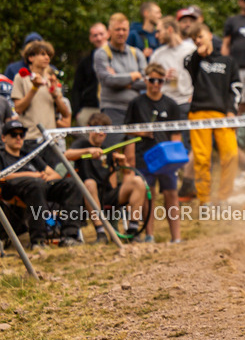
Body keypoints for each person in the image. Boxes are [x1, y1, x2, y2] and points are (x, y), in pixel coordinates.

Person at [0, 120, 84, 248]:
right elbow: (3, 176)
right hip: (13, 189)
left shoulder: (28, 154)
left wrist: (43, 176)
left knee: (71, 184)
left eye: (21, 134)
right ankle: (38, 241)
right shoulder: (2, 155)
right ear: (3, 137)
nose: (18, 137)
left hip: (40, 186)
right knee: (36, 184)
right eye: (13, 134)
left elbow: (55, 175)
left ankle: (70, 236)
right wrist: (33, 175)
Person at [66, 112, 147, 244]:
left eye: (105, 130)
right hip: (87, 195)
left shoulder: (107, 150)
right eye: (98, 129)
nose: (101, 133)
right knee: (90, 183)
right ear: (88, 128)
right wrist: (87, 151)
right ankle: (101, 233)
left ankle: (133, 230)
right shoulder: (81, 144)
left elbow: (126, 175)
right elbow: (66, 155)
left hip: (107, 194)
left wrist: (123, 164)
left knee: (138, 181)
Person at [124, 63, 183, 242]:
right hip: (145, 156)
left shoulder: (171, 104)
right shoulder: (136, 103)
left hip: (167, 158)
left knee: (172, 194)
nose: (156, 84)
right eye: (152, 80)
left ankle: (176, 237)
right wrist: (140, 134)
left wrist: (177, 160)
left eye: (160, 80)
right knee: (148, 195)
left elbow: (176, 134)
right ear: (145, 80)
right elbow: (127, 129)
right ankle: (149, 234)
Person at [184, 23, 241, 206]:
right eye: (194, 40)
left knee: (231, 155)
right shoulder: (194, 60)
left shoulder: (228, 61)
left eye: (200, 37)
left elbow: (235, 89)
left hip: (222, 114)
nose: (198, 41)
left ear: (209, 34)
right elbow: (188, 65)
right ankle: (204, 200)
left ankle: (224, 197)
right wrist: (197, 54)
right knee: (201, 158)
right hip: (198, 113)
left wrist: (232, 110)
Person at [12, 40, 71, 164]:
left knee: (60, 178)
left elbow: (65, 114)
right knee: (39, 180)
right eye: (43, 54)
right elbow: (18, 109)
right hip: (30, 139)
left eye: (49, 55)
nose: (47, 58)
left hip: (51, 140)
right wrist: (34, 88)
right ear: (31, 57)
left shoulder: (51, 80)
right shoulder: (21, 78)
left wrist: (56, 95)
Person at [94, 13, 147, 125]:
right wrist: (133, 76)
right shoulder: (102, 53)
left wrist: (120, 79)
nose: (121, 33)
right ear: (109, 32)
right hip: (111, 109)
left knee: (134, 142)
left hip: (135, 108)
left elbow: (146, 82)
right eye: (117, 29)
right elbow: (108, 80)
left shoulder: (137, 53)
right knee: (116, 143)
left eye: (124, 29)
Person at [70, 23, 107, 126]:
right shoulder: (85, 62)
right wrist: (77, 112)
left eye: (101, 34)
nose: (99, 38)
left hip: (112, 107)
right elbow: (76, 88)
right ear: (91, 39)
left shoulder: (116, 57)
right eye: (95, 35)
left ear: (108, 34)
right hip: (89, 109)